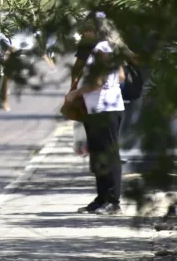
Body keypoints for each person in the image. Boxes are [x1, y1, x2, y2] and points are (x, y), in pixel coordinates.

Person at [66, 13, 131, 215]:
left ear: (98, 31)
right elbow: (120, 76)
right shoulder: (107, 48)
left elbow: (98, 82)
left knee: (108, 155)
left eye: (88, 29)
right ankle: (102, 197)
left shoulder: (103, 48)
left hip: (105, 109)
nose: (84, 33)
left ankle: (113, 201)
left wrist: (75, 93)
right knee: (99, 154)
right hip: (101, 108)